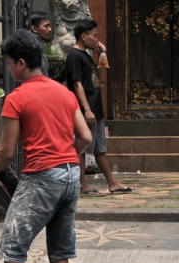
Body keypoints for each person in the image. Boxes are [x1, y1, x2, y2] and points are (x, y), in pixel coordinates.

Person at [0, 30, 92, 263]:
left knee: (12, 249)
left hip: (42, 177)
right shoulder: (65, 93)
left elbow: (5, 151)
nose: (9, 70)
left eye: (9, 63)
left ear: (21, 62)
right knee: (61, 252)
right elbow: (85, 138)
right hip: (70, 175)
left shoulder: (17, 97)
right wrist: (64, 158)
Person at [66, 19, 133, 196]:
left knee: (99, 149)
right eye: (94, 36)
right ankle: (81, 185)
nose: (96, 39)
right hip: (85, 109)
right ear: (84, 35)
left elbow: (98, 77)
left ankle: (113, 183)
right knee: (81, 146)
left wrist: (102, 56)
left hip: (95, 108)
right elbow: (77, 84)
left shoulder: (86, 55)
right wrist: (86, 109)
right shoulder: (74, 56)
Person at [30, 10, 52, 77]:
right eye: (46, 26)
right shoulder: (32, 52)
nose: (50, 29)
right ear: (34, 29)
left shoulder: (38, 50)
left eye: (49, 26)